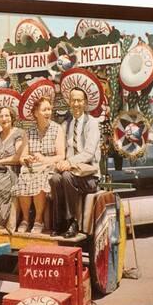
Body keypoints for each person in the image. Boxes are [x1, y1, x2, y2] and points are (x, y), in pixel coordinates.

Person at [49, 87, 101, 238]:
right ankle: (60, 222)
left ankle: (73, 221)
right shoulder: (67, 124)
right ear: (69, 103)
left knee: (66, 177)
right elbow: (63, 151)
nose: (76, 104)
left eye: (79, 100)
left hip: (90, 177)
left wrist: (69, 162)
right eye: (73, 100)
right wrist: (59, 163)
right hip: (71, 172)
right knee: (55, 178)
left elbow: (89, 153)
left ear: (85, 103)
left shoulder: (92, 123)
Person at [12, 97, 65, 233]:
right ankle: (25, 219)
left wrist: (44, 159)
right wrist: (27, 159)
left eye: (49, 109)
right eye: (44, 110)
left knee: (40, 177)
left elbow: (61, 156)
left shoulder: (57, 129)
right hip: (33, 168)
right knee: (24, 174)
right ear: (36, 113)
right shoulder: (29, 132)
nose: (48, 112)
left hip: (50, 167)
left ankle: (38, 220)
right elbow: (22, 158)